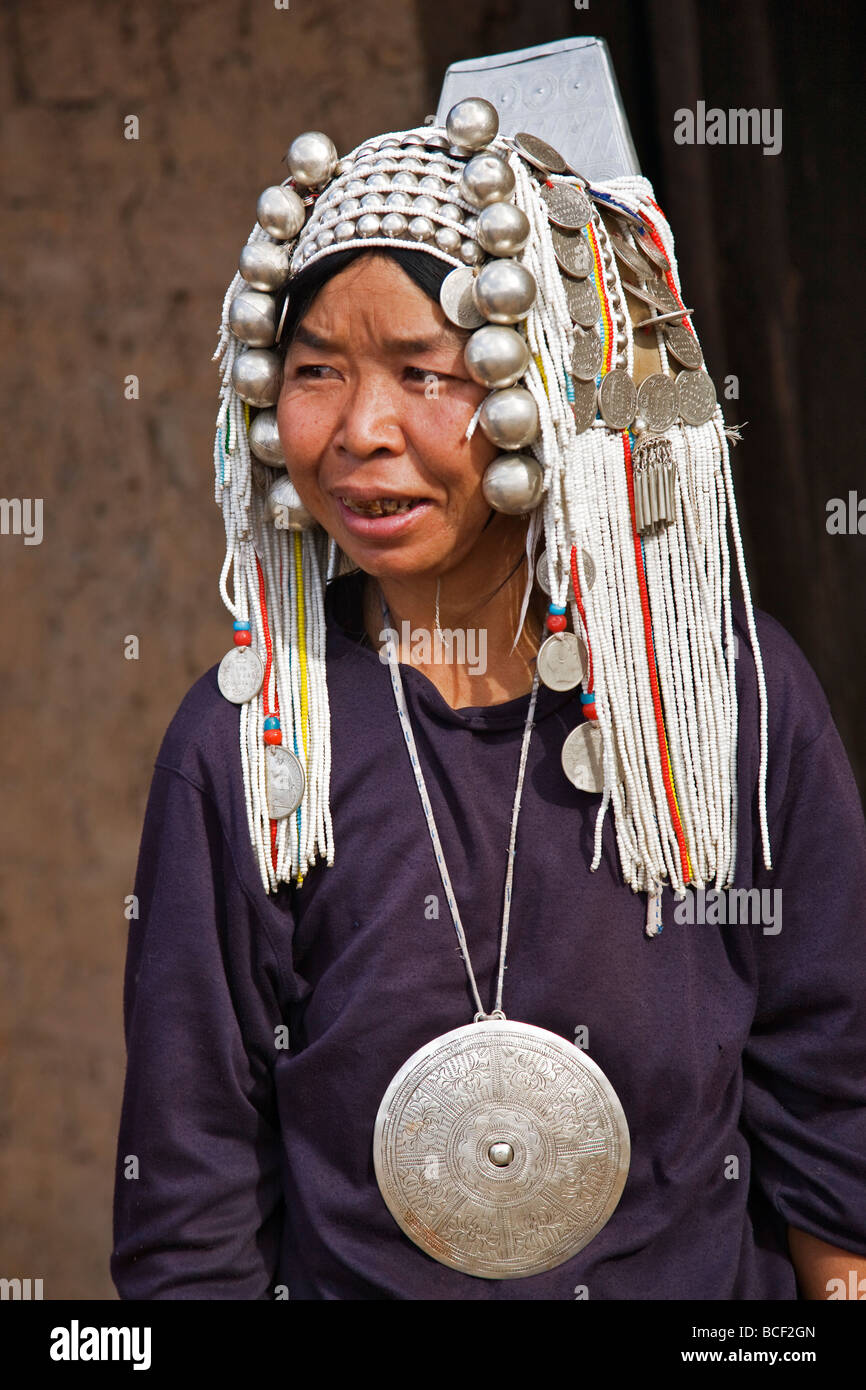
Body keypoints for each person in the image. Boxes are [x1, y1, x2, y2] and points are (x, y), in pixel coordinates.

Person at [111, 101, 866, 1300]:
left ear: (550, 400)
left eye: (424, 372)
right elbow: (190, 1191)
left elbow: (833, 1101)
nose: (360, 431)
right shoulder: (249, 744)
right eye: (314, 371)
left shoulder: (720, 698)